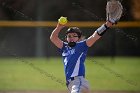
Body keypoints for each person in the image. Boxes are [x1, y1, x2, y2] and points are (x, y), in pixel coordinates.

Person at [50, 19, 113, 93]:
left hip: (78, 82)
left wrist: (107, 25)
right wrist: (59, 27)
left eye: (74, 36)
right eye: (69, 36)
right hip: (70, 84)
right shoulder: (64, 47)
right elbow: (53, 38)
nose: (71, 38)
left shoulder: (82, 45)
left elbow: (95, 36)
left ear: (79, 38)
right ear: (66, 38)